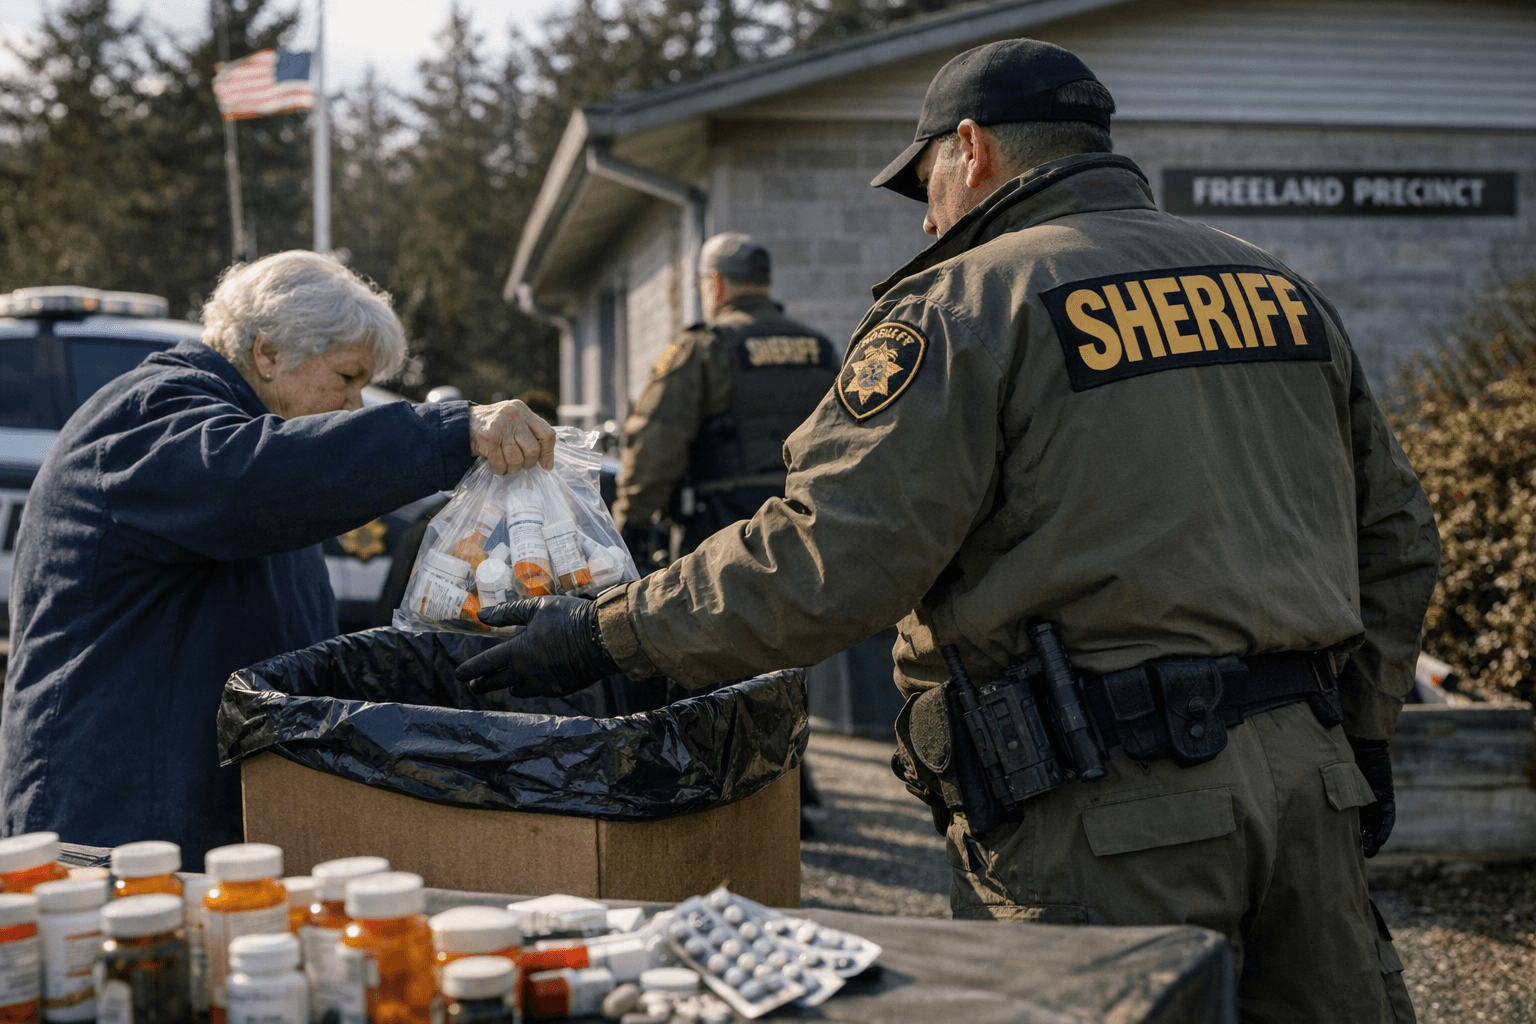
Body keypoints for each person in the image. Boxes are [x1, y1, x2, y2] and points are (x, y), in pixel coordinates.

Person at [455, 40, 1437, 1023]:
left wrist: (600, 629)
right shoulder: (1274, 286)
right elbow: (1394, 531)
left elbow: (826, 558)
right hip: (1315, 788)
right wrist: (1366, 729)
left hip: (1109, 816)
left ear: (971, 148)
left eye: (925, 183)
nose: (927, 218)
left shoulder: (966, 304)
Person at [0, 250, 554, 868]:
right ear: (267, 354)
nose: (353, 407)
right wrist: (447, 434)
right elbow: (248, 482)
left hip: (187, 817)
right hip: (115, 820)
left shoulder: (244, 431)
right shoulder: (153, 415)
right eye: (346, 380)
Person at [611, 232, 838, 562]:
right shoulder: (821, 348)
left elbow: (656, 441)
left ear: (715, 284)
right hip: (812, 534)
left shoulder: (702, 347)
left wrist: (631, 523)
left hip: (724, 543)